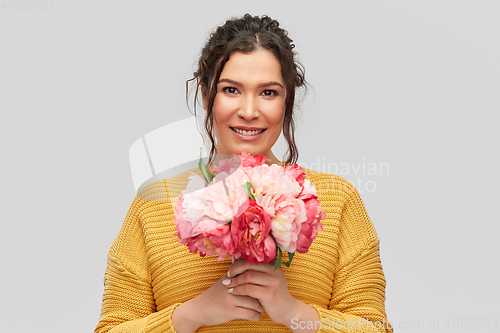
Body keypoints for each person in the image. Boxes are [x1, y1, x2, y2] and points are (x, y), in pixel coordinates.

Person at [95, 14, 392, 333]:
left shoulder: (337, 201)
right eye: (232, 89)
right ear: (208, 97)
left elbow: (375, 328)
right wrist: (191, 315)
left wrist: (294, 312)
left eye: (268, 93)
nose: (249, 111)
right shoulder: (153, 204)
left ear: (287, 100)